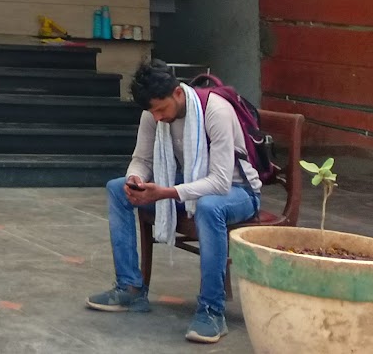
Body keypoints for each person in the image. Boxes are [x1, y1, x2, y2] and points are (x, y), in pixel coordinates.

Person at [87, 59, 261, 345]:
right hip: (189, 184)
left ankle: (212, 310)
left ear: (178, 93)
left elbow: (219, 182)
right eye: (152, 112)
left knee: (209, 206)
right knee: (117, 189)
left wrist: (165, 192)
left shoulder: (215, 110)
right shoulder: (152, 114)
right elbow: (142, 159)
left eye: (161, 110)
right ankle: (130, 288)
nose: (157, 118)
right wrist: (135, 180)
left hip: (238, 191)